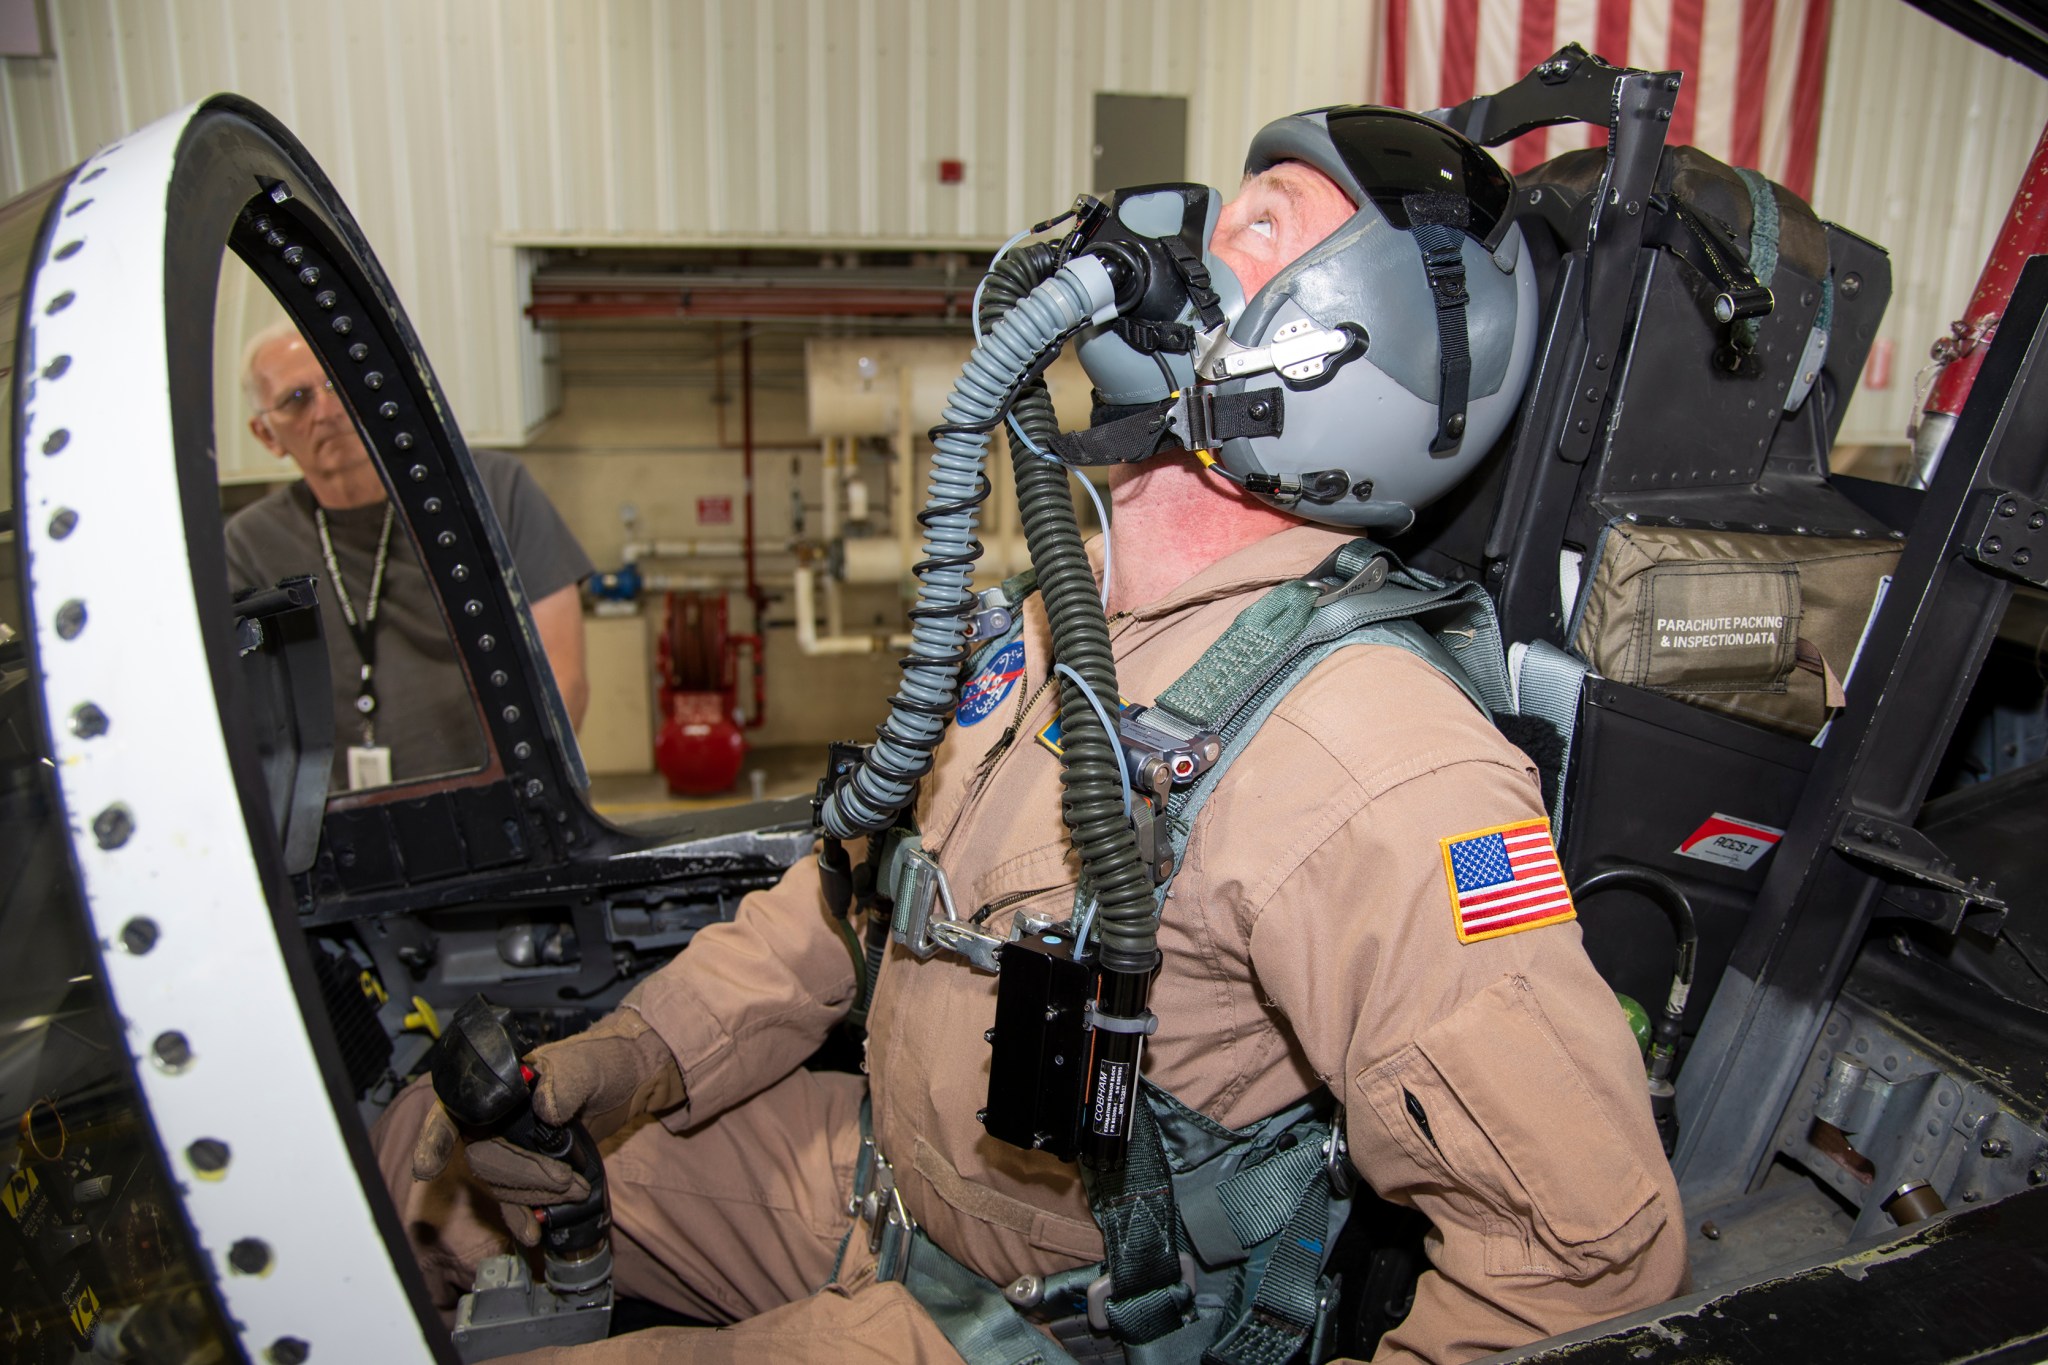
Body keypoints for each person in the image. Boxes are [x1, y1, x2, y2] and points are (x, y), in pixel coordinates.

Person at [376, 108, 1688, 1364]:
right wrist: (632, 1056)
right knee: (423, 1156)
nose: (1172, 255)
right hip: (885, 1189)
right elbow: (845, 908)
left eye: (1257, 228)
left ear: (1343, 339)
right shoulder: (1047, 626)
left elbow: (1581, 1257)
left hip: (1050, 1319)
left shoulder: (1368, 755)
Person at [225, 322, 592, 790]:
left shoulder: (492, 493)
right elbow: (248, 715)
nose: (327, 409)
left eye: (338, 383)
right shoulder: (250, 544)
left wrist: (510, 800)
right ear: (266, 435)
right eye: (297, 399)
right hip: (349, 832)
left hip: (503, 808)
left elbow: (562, 680)